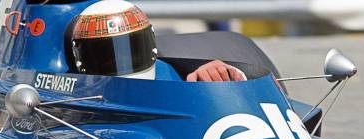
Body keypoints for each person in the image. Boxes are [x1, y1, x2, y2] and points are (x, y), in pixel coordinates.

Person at [70, 0, 246, 82]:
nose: (121, 61)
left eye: (130, 50)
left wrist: (223, 78)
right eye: (106, 56)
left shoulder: (174, 76)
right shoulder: (76, 91)